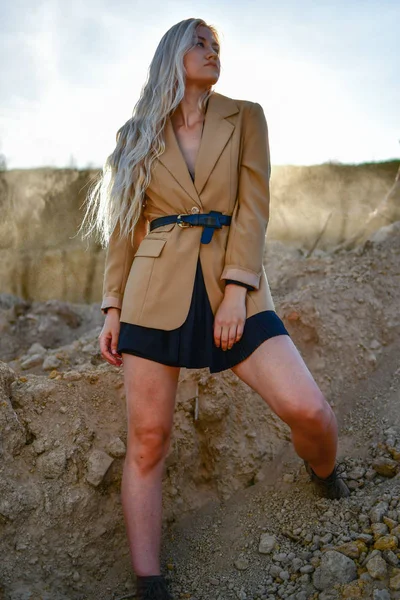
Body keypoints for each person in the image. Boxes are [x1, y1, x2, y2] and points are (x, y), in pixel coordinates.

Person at [80, 17, 350, 600]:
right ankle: (149, 582)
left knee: (310, 412)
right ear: (172, 54)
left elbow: (255, 206)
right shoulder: (136, 134)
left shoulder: (246, 115)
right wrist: (112, 307)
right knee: (148, 440)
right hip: (154, 290)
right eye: (199, 42)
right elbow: (123, 230)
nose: (211, 52)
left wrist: (235, 290)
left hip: (238, 283)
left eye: (217, 45)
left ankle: (325, 470)